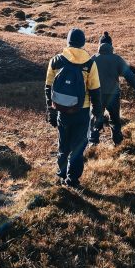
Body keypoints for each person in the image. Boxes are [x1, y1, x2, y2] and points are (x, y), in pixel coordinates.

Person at [45, 28, 103, 189]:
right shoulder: (90, 63)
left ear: (68, 41)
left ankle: (62, 174)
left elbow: (48, 88)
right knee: (78, 147)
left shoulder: (56, 61)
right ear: (83, 43)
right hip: (82, 111)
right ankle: (73, 180)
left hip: (61, 111)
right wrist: (98, 115)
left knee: (63, 145)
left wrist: (51, 111)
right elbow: (95, 92)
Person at [90, 31, 135, 146]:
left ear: (99, 45)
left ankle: (93, 144)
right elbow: (129, 76)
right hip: (113, 95)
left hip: (97, 95)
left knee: (95, 118)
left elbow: (85, 77)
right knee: (115, 120)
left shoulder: (93, 59)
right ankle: (118, 143)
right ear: (111, 45)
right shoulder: (117, 59)